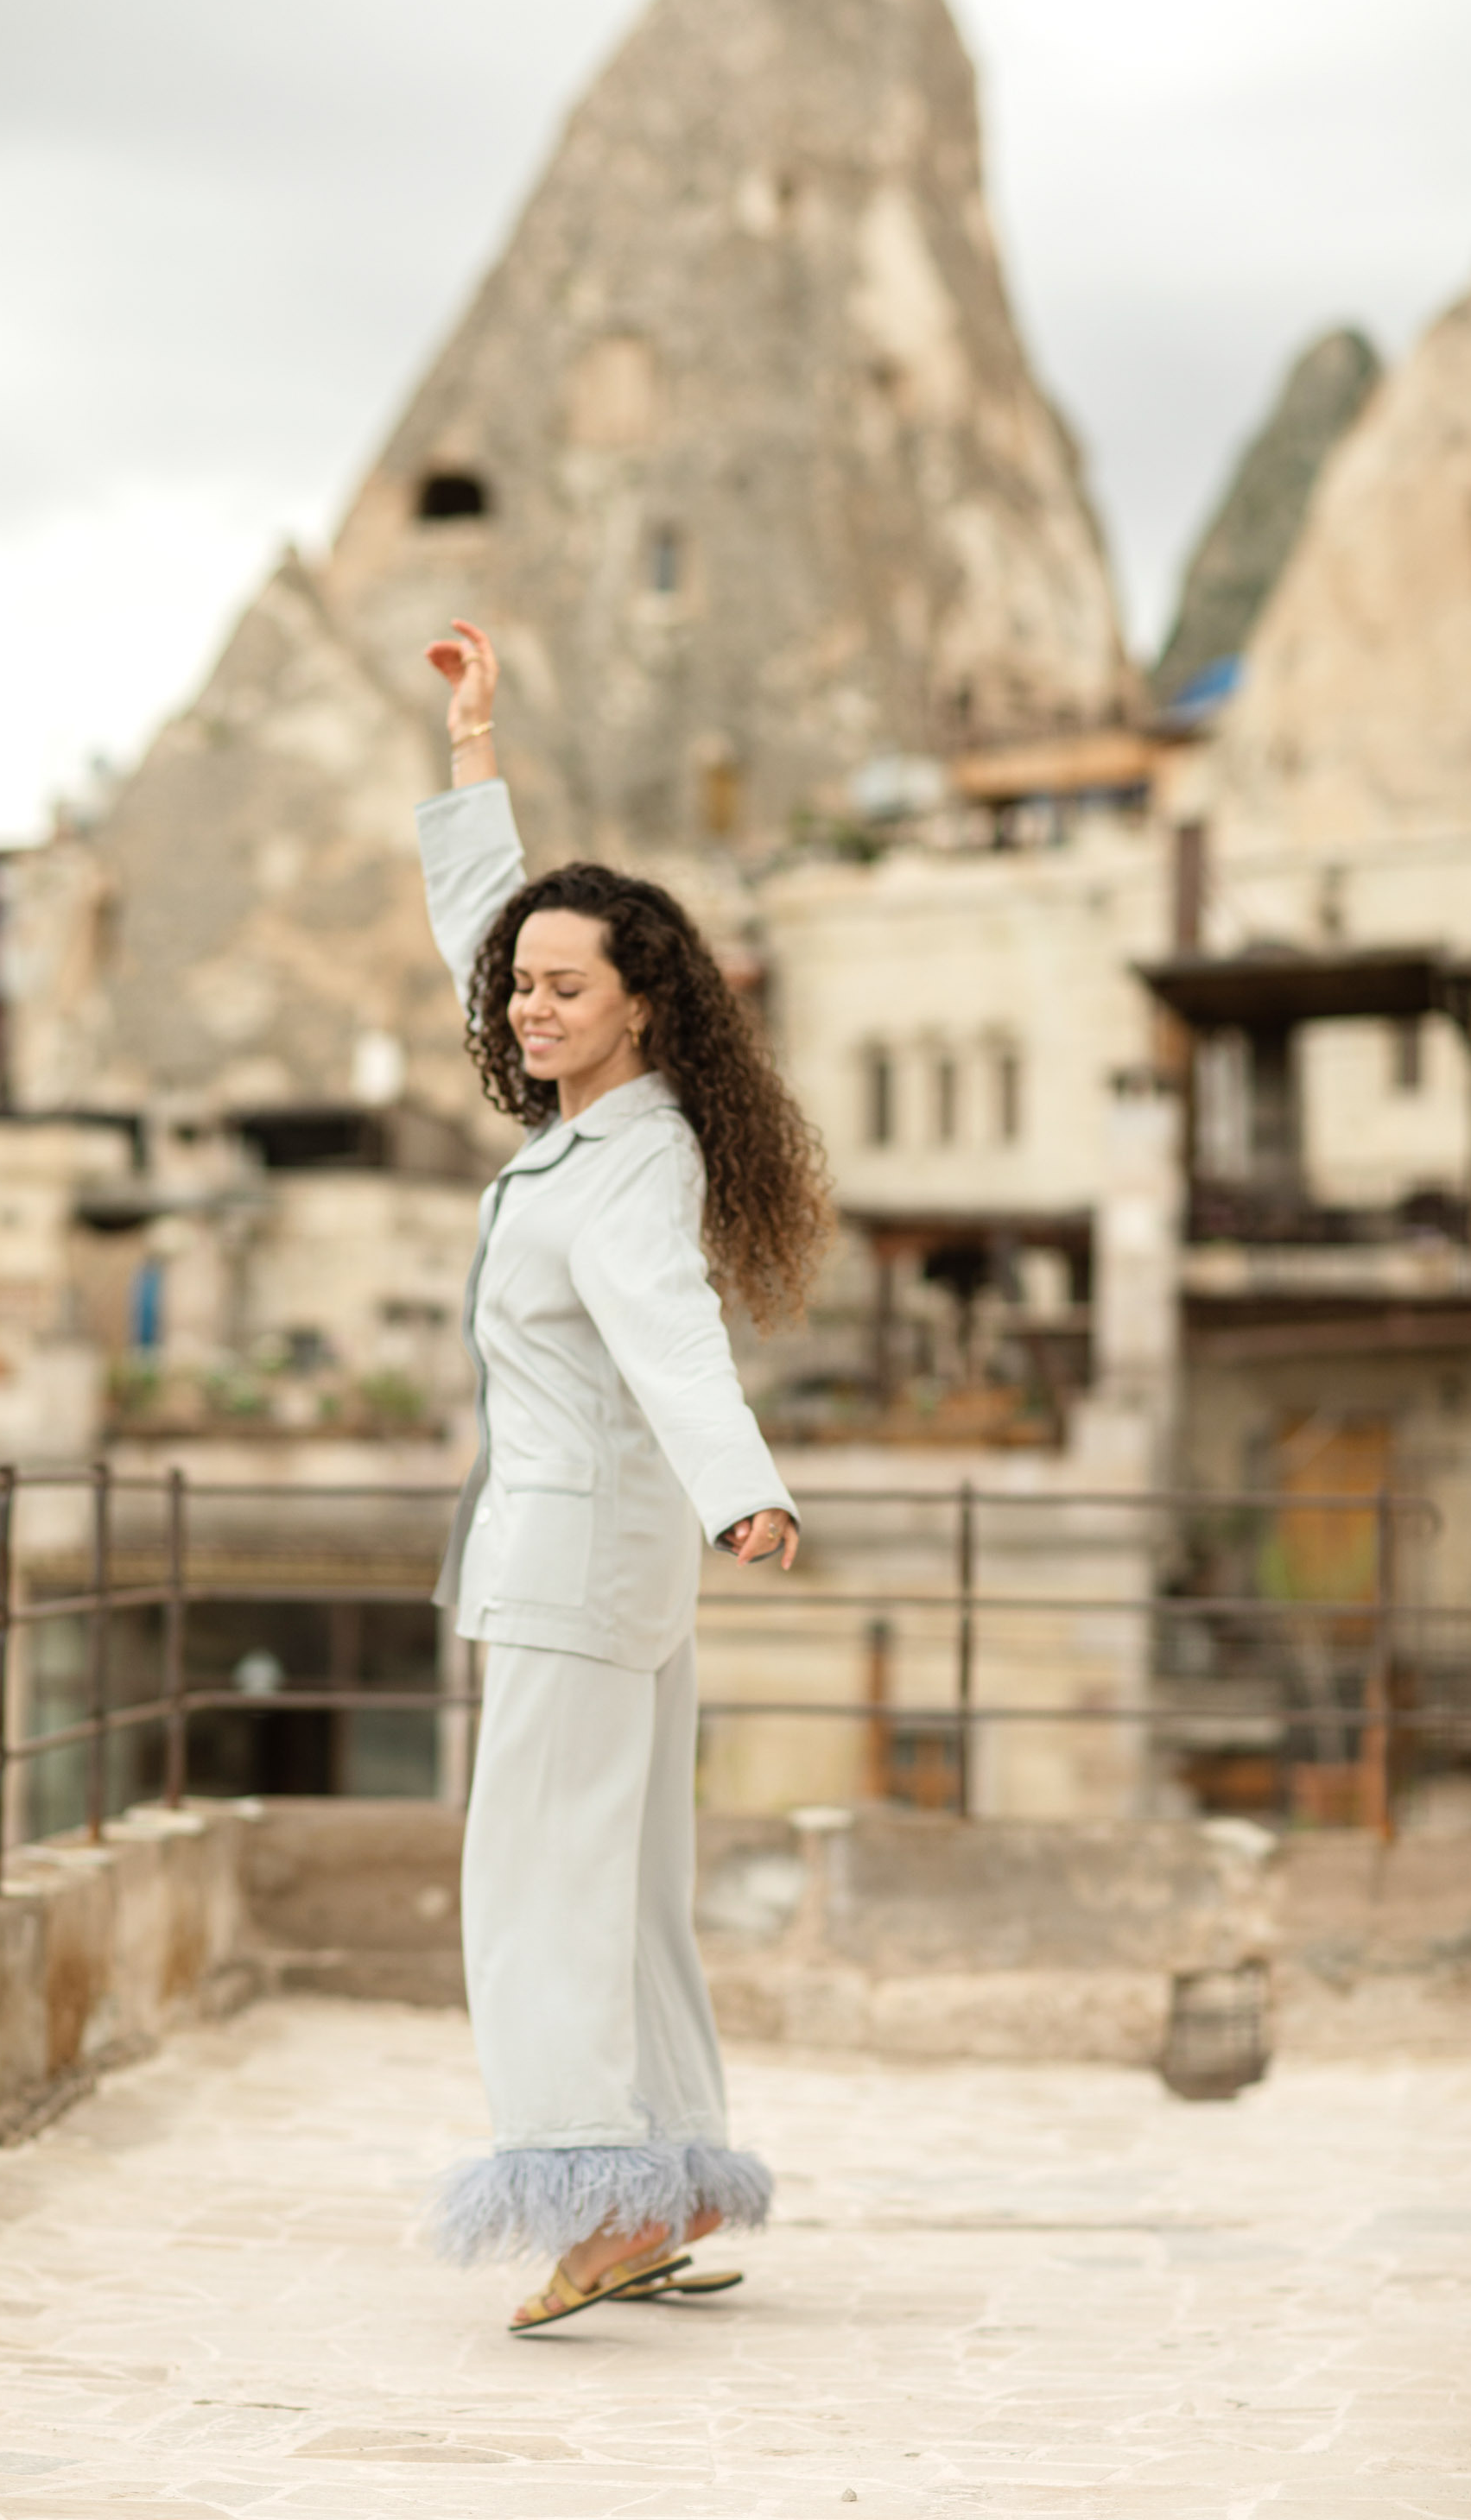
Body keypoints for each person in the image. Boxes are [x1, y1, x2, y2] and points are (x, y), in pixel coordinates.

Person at [417, 619, 831, 2333]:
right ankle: (656, 2184)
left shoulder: (627, 1170)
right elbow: (484, 936)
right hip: (601, 1573)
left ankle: (591, 2200)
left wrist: (749, 1486)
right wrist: (471, 755)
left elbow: (669, 1341)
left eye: (563, 986)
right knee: (627, 1889)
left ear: (648, 1004)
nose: (526, 1001)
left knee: (540, 1891)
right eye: (522, 986)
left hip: (582, 1578)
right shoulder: (589, 1129)